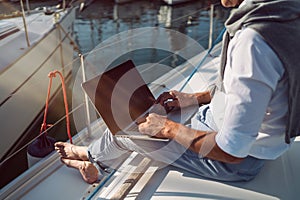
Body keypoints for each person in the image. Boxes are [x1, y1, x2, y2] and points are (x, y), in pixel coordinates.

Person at [55, 0, 300, 184]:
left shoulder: (253, 41)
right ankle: (96, 157)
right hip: (228, 130)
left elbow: (232, 150)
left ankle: (91, 161)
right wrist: (193, 99)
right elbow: (251, 95)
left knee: (125, 128)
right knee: (148, 114)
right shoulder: (288, 15)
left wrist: (167, 128)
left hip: (235, 162)